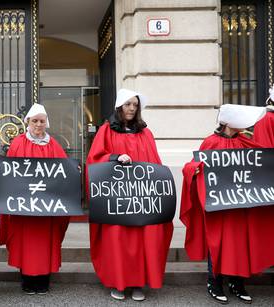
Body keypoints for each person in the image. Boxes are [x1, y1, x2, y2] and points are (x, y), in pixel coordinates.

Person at [180, 104, 274, 304]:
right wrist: (195, 169)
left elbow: (262, 162)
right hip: (218, 209)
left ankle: (237, 284)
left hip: (238, 208)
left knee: (239, 245)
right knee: (217, 245)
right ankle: (214, 283)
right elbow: (191, 165)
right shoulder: (210, 142)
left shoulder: (244, 141)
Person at [86, 89, 173, 301]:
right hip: (117, 201)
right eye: (128, 104)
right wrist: (115, 157)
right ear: (119, 107)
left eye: (135, 105)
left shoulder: (146, 133)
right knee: (117, 240)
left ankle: (138, 284)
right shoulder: (106, 131)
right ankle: (118, 282)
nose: (132, 108)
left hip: (141, 200)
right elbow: (94, 159)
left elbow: (154, 163)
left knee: (144, 240)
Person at [0, 103, 69, 295]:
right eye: (35, 121)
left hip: (46, 208)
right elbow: (9, 173)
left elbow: (64, 171)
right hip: (25, 209)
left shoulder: (53, 144)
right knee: (26, 243)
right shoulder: (18, 143)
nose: (38, 124)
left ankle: (44, 279)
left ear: (47, 123)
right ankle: (27, 279)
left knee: (45, 243)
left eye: (42, 121)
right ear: (28, 122)